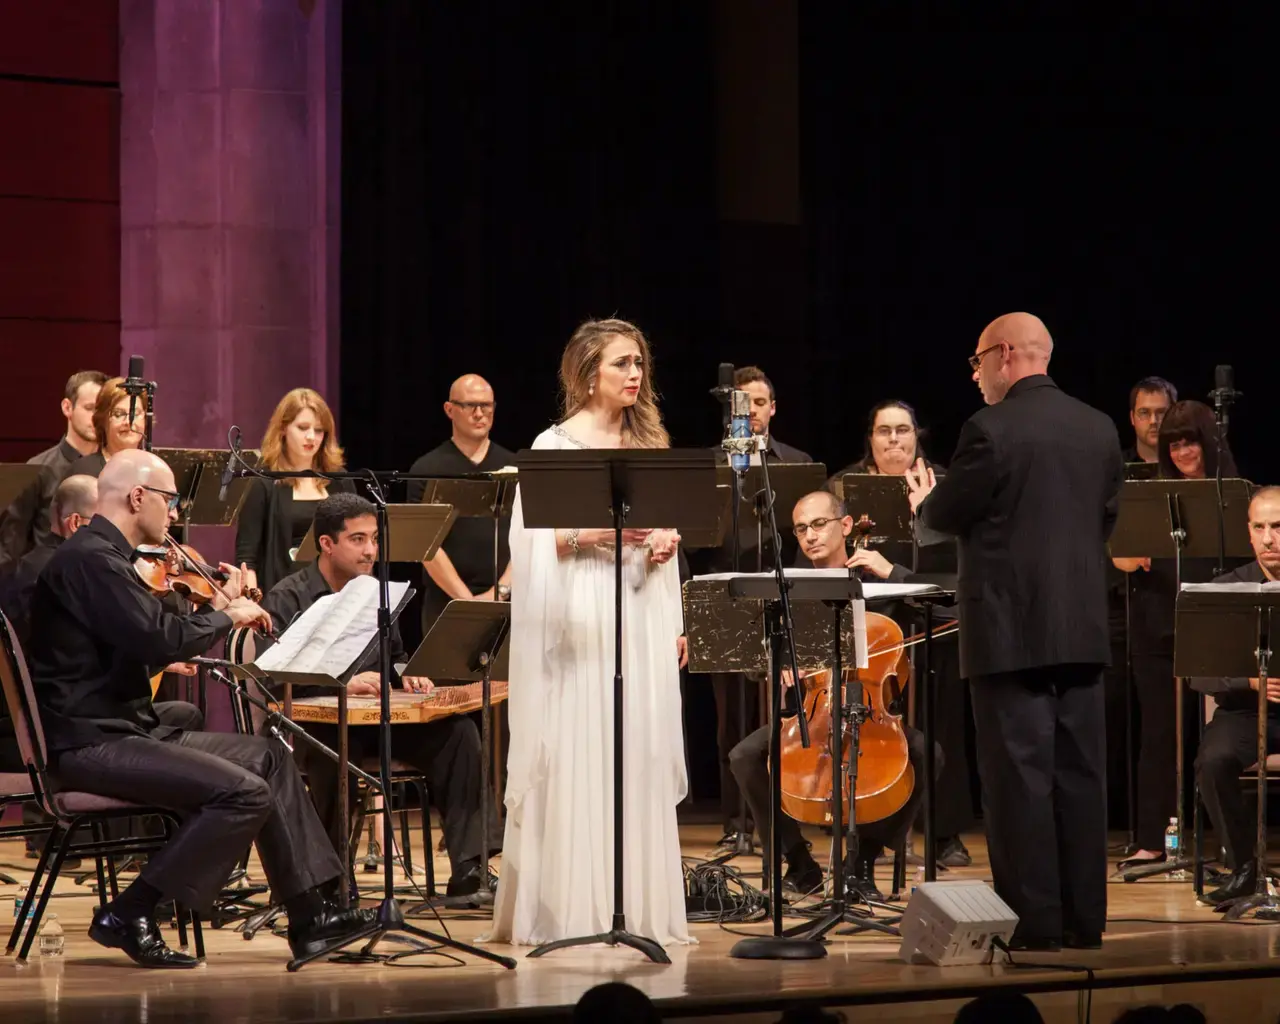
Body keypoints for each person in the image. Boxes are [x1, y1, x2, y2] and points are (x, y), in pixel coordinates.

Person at [26, 449, 370, 967]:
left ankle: (311, 918)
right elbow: (159, 639)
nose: (175, 512)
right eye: (169, 500)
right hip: (91, 742)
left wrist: (211, 607)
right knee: (242, 792)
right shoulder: (89, 560)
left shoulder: (107, 558)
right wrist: (227, 615)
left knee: (268, 757)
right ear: (138, 496)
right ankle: (131, 910)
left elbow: (141, 635)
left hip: (124, 728)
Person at [905, 312, 1123, 950]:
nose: (974, 377)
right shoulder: (1099, 427)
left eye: (976, 362)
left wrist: (924, 502)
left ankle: (1035, 928)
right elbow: (1104, 520)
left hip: (1009, 636)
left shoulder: (988, 429)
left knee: (1019, 783)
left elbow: (948, 511)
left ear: (1003, 355)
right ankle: (1085, 922)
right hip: (1082, 630)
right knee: (1081, 781)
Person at [488, 318, 691, 946]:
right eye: (621, 364)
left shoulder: (650, 441)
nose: (634, 375)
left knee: (636, 749)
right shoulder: (553, 448)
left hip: (638, 609)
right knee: (583, 745)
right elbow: (533, 544)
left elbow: (669, 527)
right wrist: (596, 534)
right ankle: (575, 910)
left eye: (639, 364)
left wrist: (664, 539)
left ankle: (633, 908)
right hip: (581, 617)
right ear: (586, 374)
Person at [260, 492, 494, 898]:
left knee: (458, 735)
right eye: (358, 539)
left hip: (378, 720)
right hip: (316, 728)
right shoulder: (288, 596)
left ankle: (468, 868)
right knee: (335, 754)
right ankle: (331, 882)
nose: (370, 551)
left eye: (374, 539)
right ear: (327, 544)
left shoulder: (378, 594)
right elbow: (269, 676)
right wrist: (340, 683)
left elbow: (397, 657)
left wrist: (408, 677)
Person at [729, 490, 937, 899]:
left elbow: (942, 609)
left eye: (819, 524)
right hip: (811, 715)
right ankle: (799, 863)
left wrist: (894, 572)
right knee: (744, 756)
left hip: (869, 713)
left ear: (845, 526)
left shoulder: (878, 582)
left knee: (929, 754)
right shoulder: (785, 588)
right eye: (801, 528)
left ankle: (861, 864)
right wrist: (781, 663)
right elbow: (754, 660)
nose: (809, 536)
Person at [827, 401, 976, 865]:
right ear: (870, 439)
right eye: (884, 431)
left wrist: (897, 570)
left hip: (930, 618)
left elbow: (956, 568)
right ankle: (871, 826)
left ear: (918, 436)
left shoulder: (945, 486)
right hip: (872, 624)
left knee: (943, 723)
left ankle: (944, 832)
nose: (894, 439)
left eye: (903, 430)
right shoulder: (844, 487)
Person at [1112, 399, 1240, 870]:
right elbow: (1121, 559)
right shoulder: (1152, 494)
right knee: (1159, 736)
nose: (1184, 451)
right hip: (1157, 626)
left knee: (1221, 736)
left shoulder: (1232, 493)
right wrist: (1133, 551)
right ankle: (1155, 841)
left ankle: (1229, 843)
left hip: (1217, 628)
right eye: (1175, 443)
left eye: (1191, 441)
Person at [706, 366, 812, 847]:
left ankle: (782, 823)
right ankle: (736, 823)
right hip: (726, 604)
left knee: (782, 715)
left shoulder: (796, 461)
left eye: (760, 402)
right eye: (742, 402)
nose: (752, 410)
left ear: (773, 408)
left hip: (780, 601)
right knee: (730, 718)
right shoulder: (712, 463)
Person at [1192, 486, 1280, 904]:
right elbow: (1199, 674)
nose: (1269, 539)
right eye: (1260, 528)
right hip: (1245, 712)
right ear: (1248, 533)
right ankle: (1244, 865)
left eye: (1278, 527)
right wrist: (1250, 682)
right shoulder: (1227, 588)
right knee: (1214, 761)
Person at [406, 374, 515, 635]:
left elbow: (530, 536)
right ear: (449, 409)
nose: (479, 413)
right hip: (447, 603)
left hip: (508, 599)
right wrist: (466, 601)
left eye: (486, 406)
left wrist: (499, 591)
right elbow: (426, 546)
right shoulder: (426, 469)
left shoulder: (515, 468)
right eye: (469, 406)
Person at [234, 387, 354, 597]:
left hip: (336, 595)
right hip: (284, 599)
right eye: (303, 427)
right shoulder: (263, 482)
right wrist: (252, 604)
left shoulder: (339, 480)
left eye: (319, 430)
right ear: (283, 429)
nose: (311, 437)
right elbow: (247, 559)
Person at [0, 370, 106, 576]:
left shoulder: (112, 468)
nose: (97, 418)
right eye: (90, 408)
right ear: (67, 407)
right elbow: (12, 546)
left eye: (102, 410)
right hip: (47, 585)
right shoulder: (40, 468)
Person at [62, 376, 147, 479]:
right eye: (118, 414)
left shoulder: (156, 469)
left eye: (136, 414)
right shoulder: (82, 472)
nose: (129, 422)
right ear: (103, 420)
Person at [1125, 376, 1177, 465]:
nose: (1153, 421)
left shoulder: (1189, 465)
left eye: (1161, 413)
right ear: (1132, 418)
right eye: (1144, 413)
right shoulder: (1115, 466)